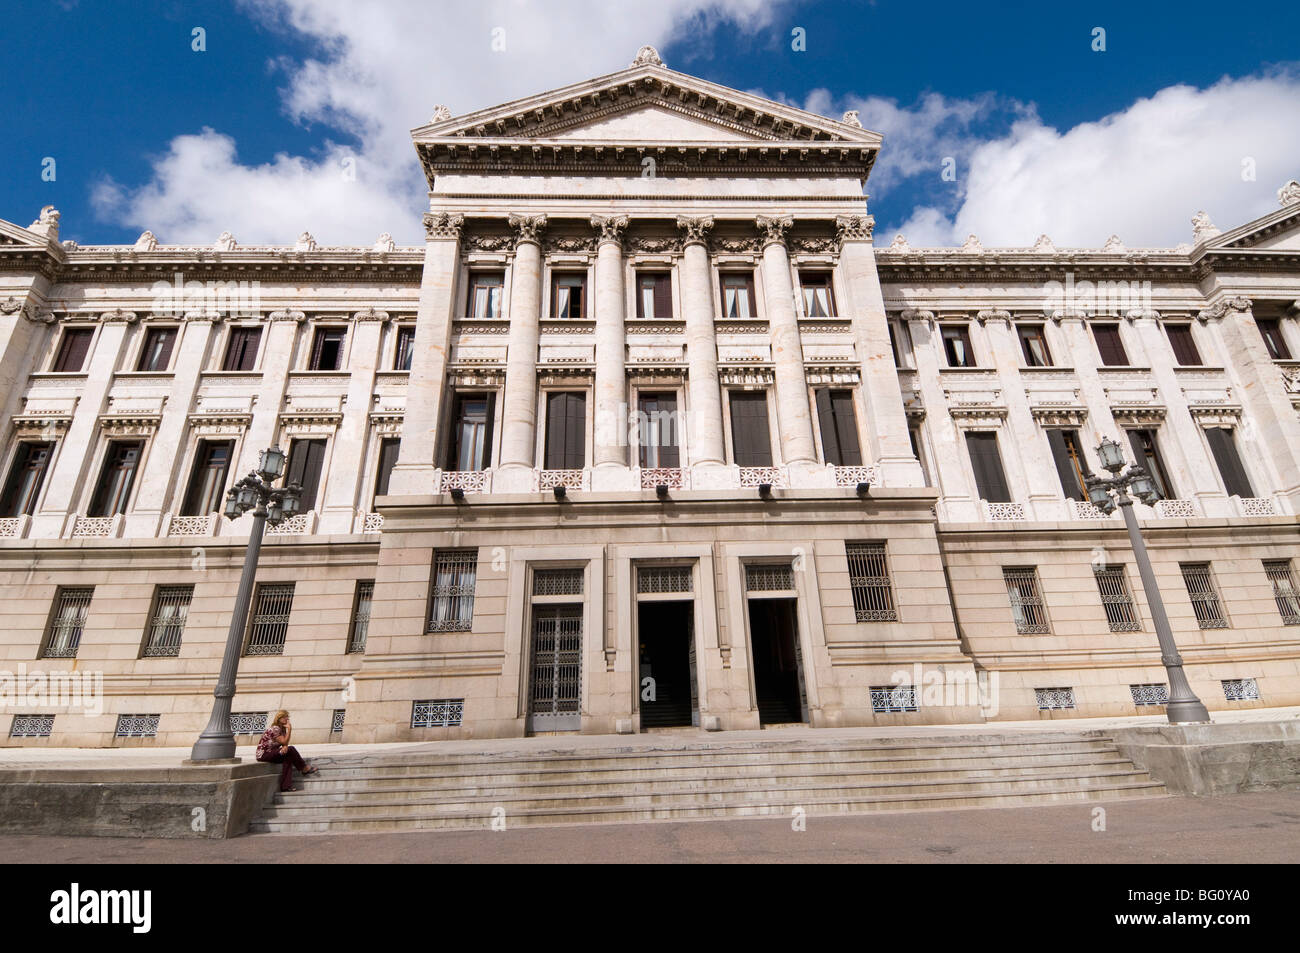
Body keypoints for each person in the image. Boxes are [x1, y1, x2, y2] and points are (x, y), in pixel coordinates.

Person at [255, 710, 318, 792]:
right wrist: (290, 730)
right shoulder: (275, 728)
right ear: (279, 719)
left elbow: (284, 743)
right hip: (264, 754)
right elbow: (284, 741)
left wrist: (285, 746)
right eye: (285, 717)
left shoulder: (282, 729)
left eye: (287, 717)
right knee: (291, 749)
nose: (287, 719)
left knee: (288, 758)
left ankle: (285, 786)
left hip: (274, 752)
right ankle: (303, 768)